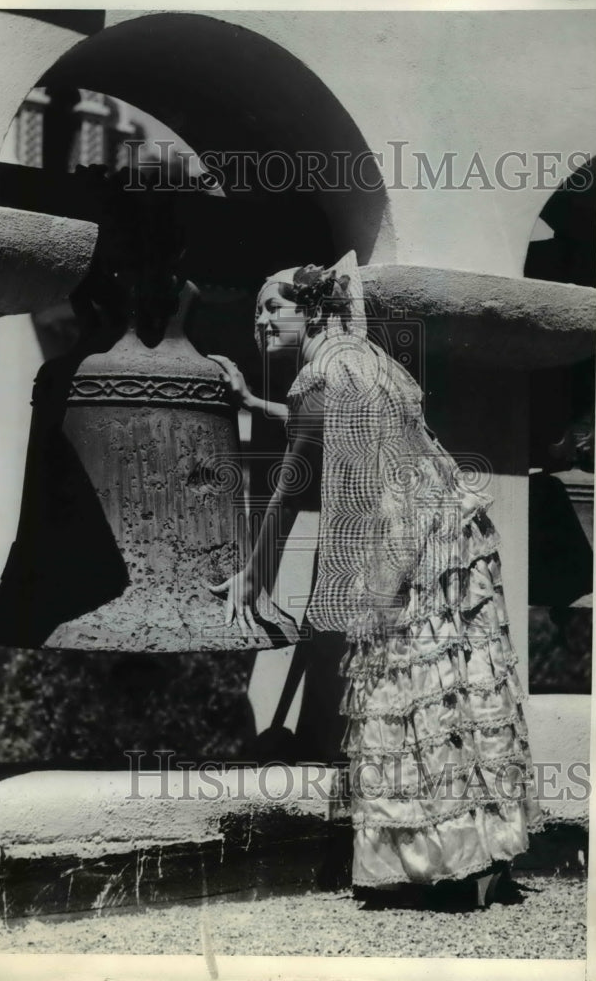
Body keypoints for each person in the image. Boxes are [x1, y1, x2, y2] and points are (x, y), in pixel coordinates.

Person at [209, 251, 544, 908]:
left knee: (408, 680)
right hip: (452, 530)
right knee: (458, 679)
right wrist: (252, 402)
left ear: (312, 312)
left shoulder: (318, 375)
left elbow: (292, 476)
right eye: (255, 311)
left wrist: (254, 574)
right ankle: (484, 849)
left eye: (271, 307)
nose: (258, 322)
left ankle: (440, 861)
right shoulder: (364, 361)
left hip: (407, 536)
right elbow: (322, 432)